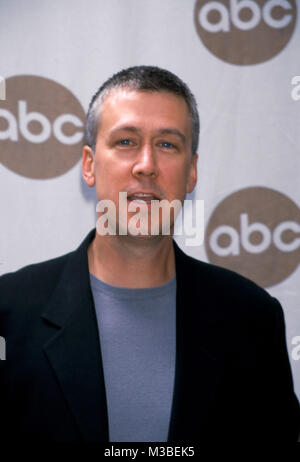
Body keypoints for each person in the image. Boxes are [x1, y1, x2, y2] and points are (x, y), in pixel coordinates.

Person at [0, 66, 299, 443]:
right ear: (89, 165)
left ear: (191, 172)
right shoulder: (8, 313)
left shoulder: (253, 319)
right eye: (126, 142)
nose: (146, 165)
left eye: (167, 144)